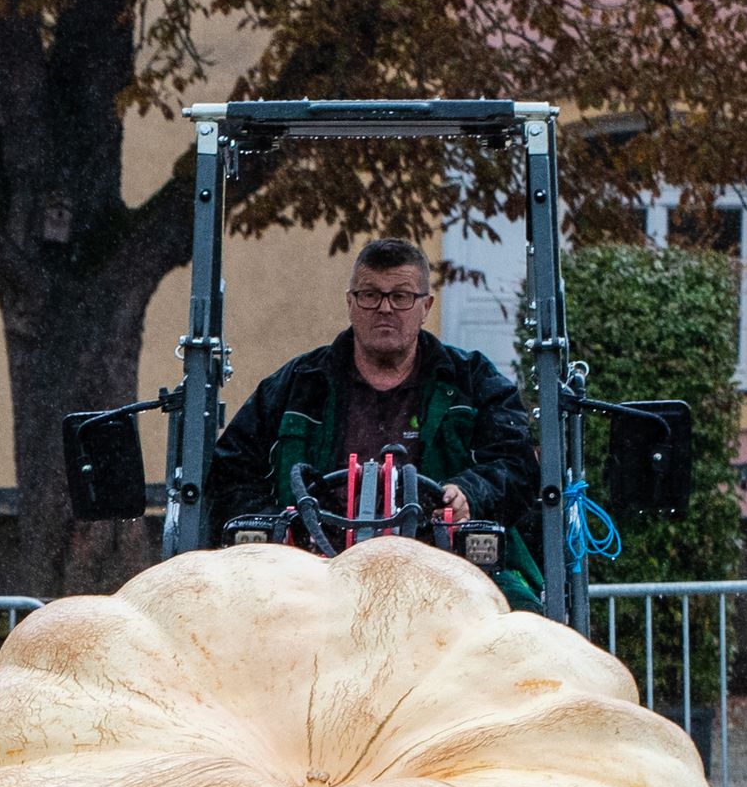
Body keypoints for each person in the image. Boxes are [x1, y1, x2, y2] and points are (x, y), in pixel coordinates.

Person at [210, 237, 544, 604]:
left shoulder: (473, 382)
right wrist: (279, 525)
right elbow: (231, 472)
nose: (385, 308)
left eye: (401, 296)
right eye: (370, 295)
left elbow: (516, 464)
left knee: (521, 620)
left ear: (425, 307)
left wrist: (470, 493)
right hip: (312, 582)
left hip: (452, 575)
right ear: (350, 303)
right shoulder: (297, 386)